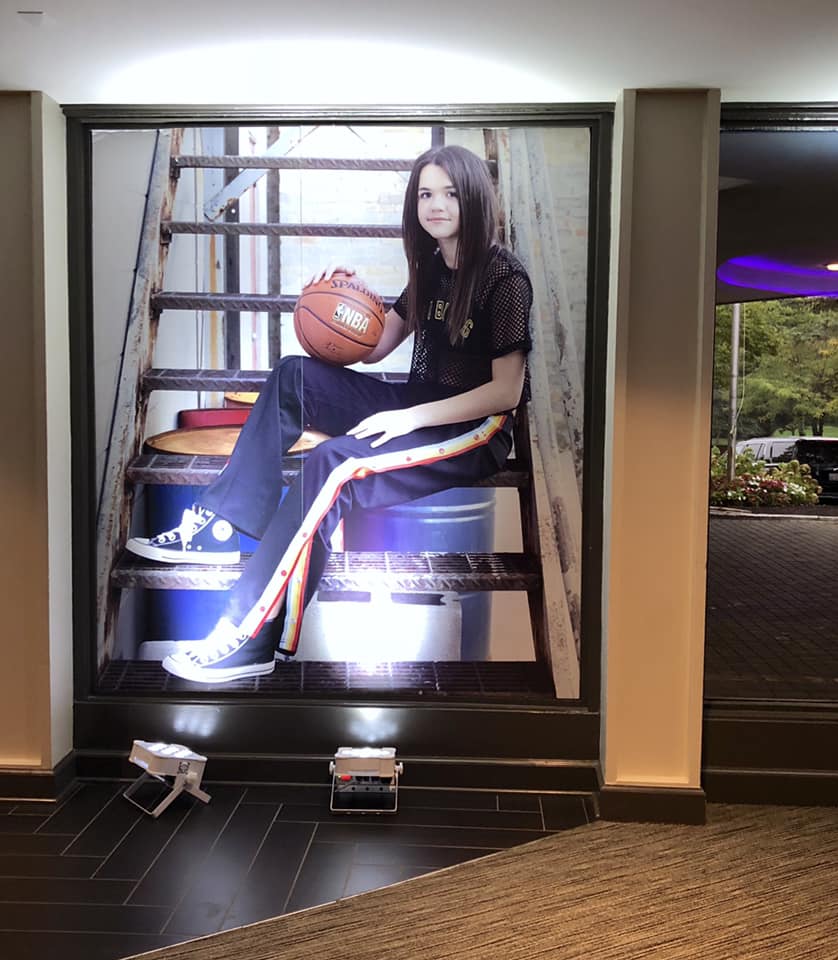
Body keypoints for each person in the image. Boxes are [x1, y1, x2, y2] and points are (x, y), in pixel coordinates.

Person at [126, 144, 533, 683]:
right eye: (425, 194)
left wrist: (410, 420)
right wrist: (343, 299)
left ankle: (248, 636)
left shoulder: (505, 278)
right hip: (417, 405)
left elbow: (507, 392)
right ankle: (222, 524)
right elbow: (377, 346)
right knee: (294, 376)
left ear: (475, 198)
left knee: (331, 464)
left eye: (450, 194)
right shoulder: (434, 266)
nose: (436, 205)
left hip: (473, 429)